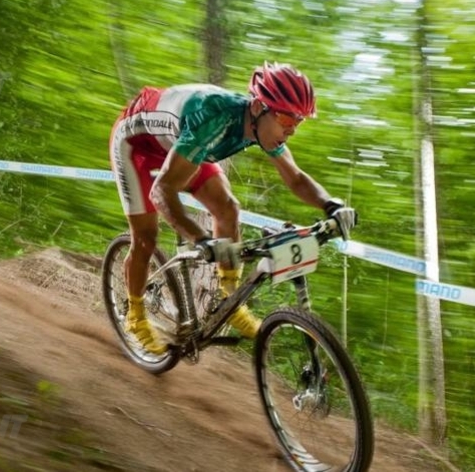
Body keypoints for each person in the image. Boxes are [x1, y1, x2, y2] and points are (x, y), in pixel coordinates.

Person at [109, 62, 355, 355]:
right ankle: (135, 316)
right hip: (135, 145)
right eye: (286, 120)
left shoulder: (263, 128)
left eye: (297, 123)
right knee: (146, 237)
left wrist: (331, 205)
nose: (291, 131)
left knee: (228, 209)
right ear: (258, 107)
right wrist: (202, 240)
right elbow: (162, 192)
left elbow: (296, 177)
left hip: (182, 145)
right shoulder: (212, 118)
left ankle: (228, 299)